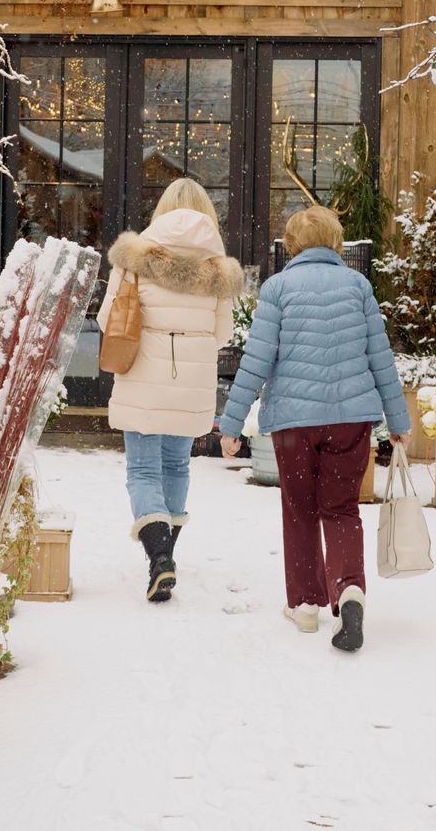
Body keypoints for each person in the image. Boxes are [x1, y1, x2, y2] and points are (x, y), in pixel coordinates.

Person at [217, 206, 409, 652]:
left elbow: (257, 361)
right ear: (336, 242)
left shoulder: (278, 288)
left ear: (292, 245)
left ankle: (305, 605)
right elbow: (380, 357)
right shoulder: (358, 286)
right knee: (341, 508)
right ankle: (349, 591)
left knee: (300, 508)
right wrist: (397, 421)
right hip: (350, 420)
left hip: (293, 423)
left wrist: (231, 423)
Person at [96, 177, 244, 603]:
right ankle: (164, 558)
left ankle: (159, 558)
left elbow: (110, 320)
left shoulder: (135, 257)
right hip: (191, 382)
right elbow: (222, 333)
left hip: (143, 375)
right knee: (176, 466)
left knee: (143, 470)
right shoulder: (218, 267)